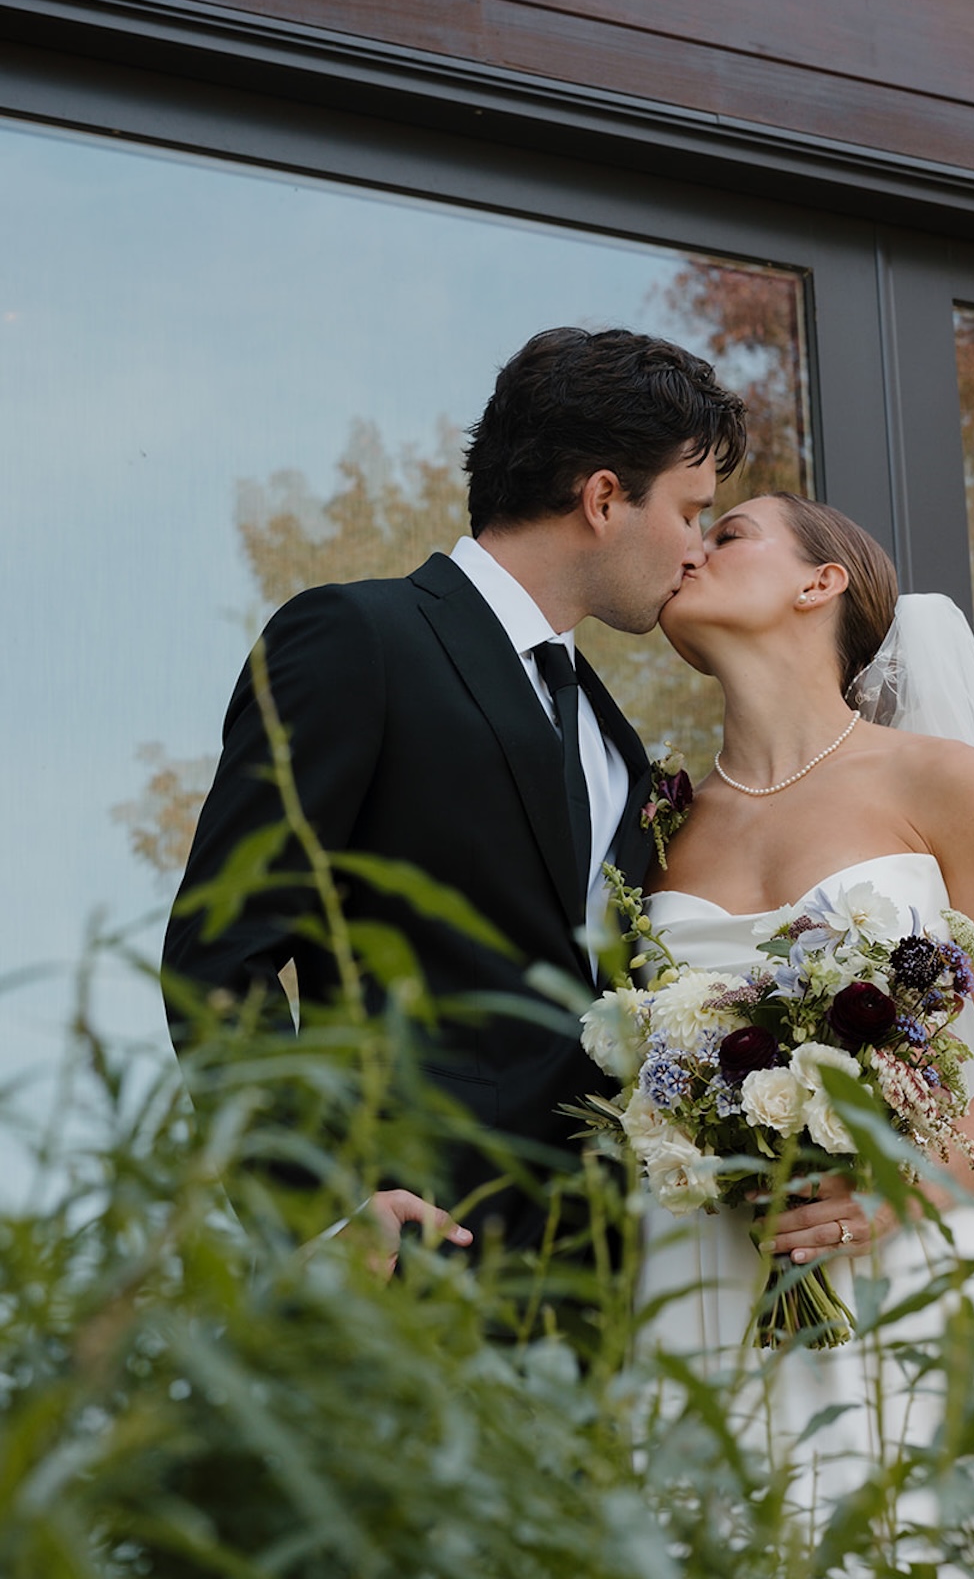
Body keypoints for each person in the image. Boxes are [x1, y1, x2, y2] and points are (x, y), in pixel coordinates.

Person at [163, 326, 746, 1266]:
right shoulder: (360, 638)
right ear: (603, 497)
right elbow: (220, 950)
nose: (696, 552)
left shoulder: (616, 741)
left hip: (589, 1285)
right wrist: (318, 1209)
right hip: (404, 1261)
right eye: (691, 511)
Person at [642, 491, 974, 1529]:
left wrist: (891, 1194)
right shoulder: (655, 824)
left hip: (901, 1264)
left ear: (821, 582)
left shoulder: (940, 782)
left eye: (727, 534)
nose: (689, 553)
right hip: (699, 1273)